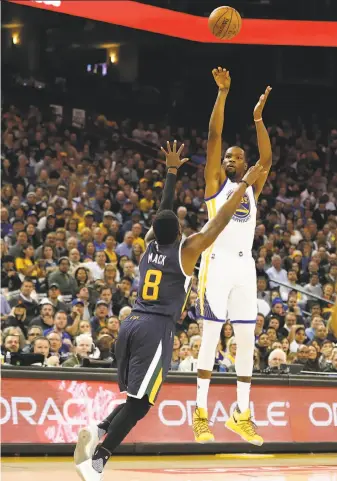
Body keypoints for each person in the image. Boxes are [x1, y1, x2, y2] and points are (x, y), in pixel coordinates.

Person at [74, 141, 263, 480]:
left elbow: (162, 212)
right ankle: (98, 461)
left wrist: (172, 172)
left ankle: (98, 427)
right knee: (140, 405)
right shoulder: (186, 251)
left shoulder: (150, 246)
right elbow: (219, 221)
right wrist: (245, 183)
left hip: (130, 323)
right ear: (178, 231)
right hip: (154, 330)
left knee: (136, 398)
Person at [193, 67, 272, 446]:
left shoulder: (252, 185)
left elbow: (268, 158)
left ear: (244, 164)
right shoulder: (215, 184)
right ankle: (200, 413)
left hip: (245, 266)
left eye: (236, 157)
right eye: (227, 156)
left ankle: (242, 414)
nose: (229, 158)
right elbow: (213, 137)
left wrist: (258, 119)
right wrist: (222, 94)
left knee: (246, 338)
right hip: (217, 262)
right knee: (210, 335)